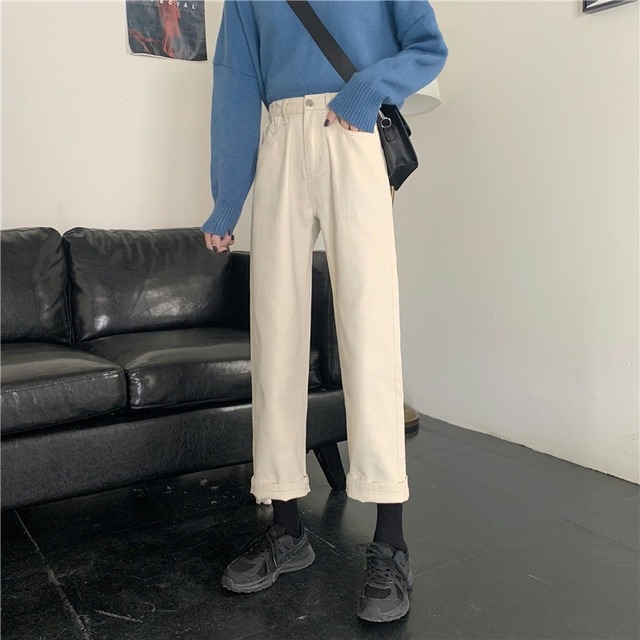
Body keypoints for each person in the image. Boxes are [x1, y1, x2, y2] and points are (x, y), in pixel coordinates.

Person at [201, 0, 448, 623]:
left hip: (354, 133)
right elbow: (235, 82)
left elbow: (428, 47)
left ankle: (390, 541)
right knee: (275, 336)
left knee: (369, 333)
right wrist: (227, 199)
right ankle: (286, 528)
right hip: (281, 138)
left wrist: (369, 87)